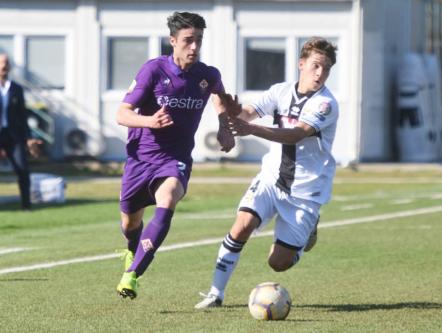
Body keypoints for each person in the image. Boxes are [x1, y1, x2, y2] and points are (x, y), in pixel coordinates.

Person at [195, 37, 338, 309]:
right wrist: (234, 112)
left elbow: (296, 135)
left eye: (326, 68)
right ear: (301, 64)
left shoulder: (326, 104)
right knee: (241, 226)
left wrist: (253, 129)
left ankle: (307, 232)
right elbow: (249, 113)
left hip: (305, 192)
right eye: (316, 66)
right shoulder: (280, 91)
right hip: (270, 179)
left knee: (277, 263)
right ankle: (215, 293)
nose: (320, 73)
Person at [115, 11, 237, 299]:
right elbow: (121, 114)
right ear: (173, 41)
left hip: (175, 158)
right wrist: (149, 122)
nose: (194, 47)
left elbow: (220, 96)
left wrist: (224, 127)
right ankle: (133, 249)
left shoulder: (208, 75)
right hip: (140, 159)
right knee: (129, 224)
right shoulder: (153, 70)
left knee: (167, 198)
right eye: (188, 41)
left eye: (199, 41)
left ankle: (132, 275)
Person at [0, 53, 41, 210]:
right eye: (1, 63)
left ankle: (26, 205)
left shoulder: (16, 88)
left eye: (6, 63)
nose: (4, 66)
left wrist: (28, 138)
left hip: (13, 135)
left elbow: (22, 115)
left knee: (23, 169)